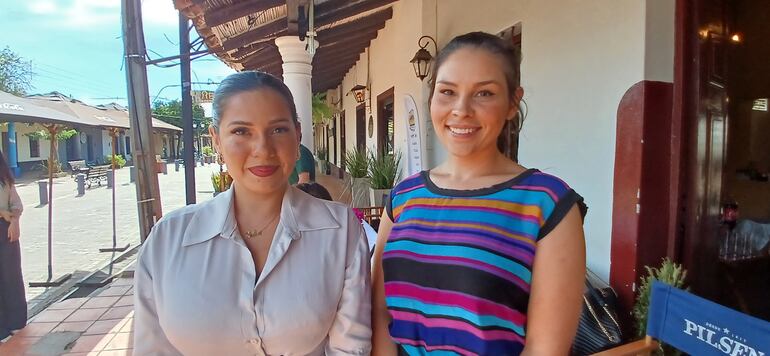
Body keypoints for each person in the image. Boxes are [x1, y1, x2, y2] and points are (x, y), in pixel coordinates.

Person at [371, 32, 586, 355]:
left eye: (484, 93)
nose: (461, 109)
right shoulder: (404, 197)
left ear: (513, 102)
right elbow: (381, 315)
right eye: (447, 92)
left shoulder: (546, 204)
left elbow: (545, 349)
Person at [134, 71, 372, 356]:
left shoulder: (340, 231)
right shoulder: (168, 240)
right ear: (216, 140)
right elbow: (151, 347)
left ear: (297, 136)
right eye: (241, 131)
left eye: (278, 130)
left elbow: (350, 347)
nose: (263, 149)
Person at [0, 153, 24, 342]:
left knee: (12, 275)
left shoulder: (5, 178)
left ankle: (16, 322)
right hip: (3, 219)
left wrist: (14, 219)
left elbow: (16, 202)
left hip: (6, 229)